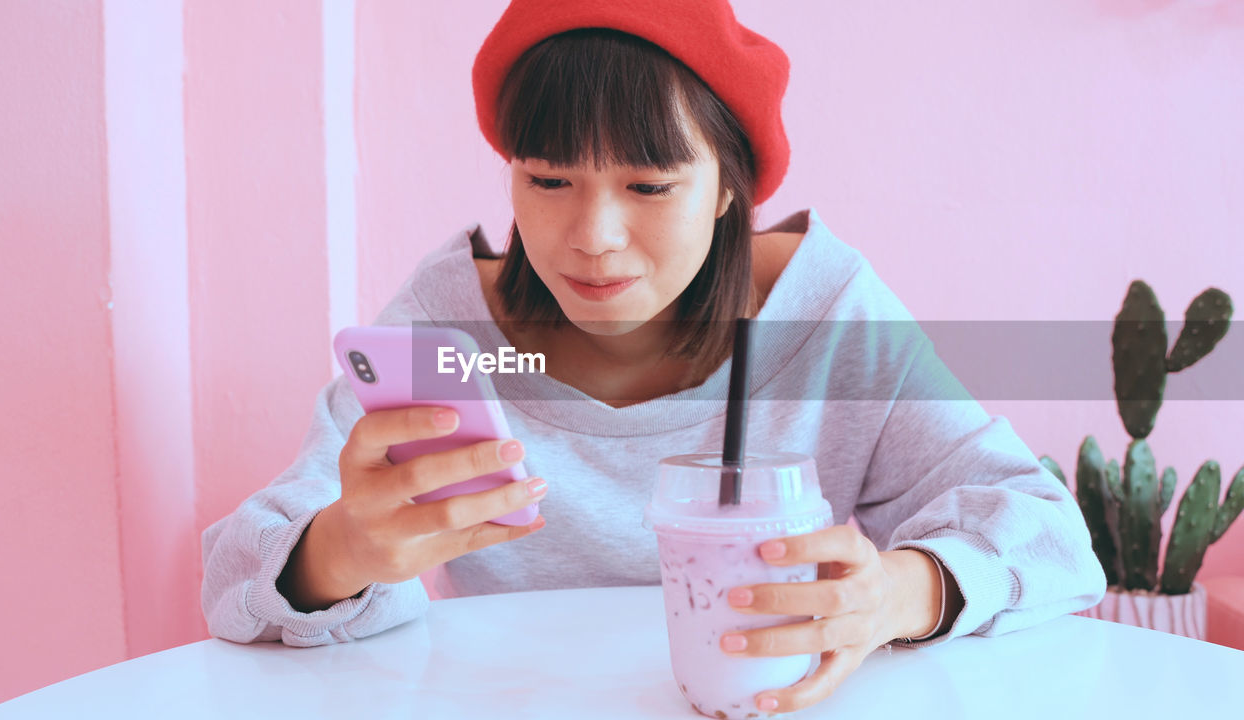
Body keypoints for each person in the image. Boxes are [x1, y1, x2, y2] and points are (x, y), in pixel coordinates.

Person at [201, 0, 1106, 714]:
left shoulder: (822, 315)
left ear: (726, 190)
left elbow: (1050, 533)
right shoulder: (447, 330)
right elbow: (236, 577)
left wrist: (896, 596)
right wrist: (343, 549)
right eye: (548, 180)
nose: (592, 238)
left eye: (649, 185)